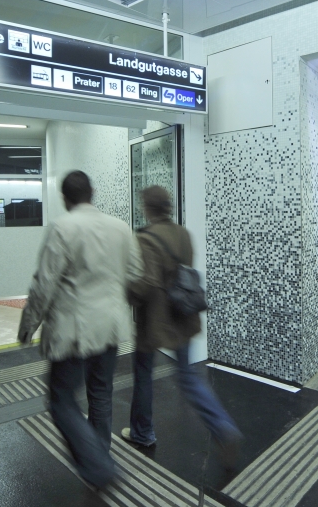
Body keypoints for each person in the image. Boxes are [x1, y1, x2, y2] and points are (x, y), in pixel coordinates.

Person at [18, 170, 142, 489]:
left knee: (61, 399)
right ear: (93, 192)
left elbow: (44, 283)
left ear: (64, 198)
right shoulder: (120, 227)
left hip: (75, 330)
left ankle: (98, 466)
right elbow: (135, 273)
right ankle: (99, 457)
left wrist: (28, 324)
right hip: (111, 327)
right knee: (100, 394)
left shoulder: (63, 227)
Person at [121, 185, 242, 463]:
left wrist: (126, 291)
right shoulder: (184, 234)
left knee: (143, 375)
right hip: (183, 316)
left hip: (154, 322)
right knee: (188, 377)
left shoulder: (146, 238)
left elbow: (148, 283)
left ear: (148, 209)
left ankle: (142, 432)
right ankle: (224, 428)